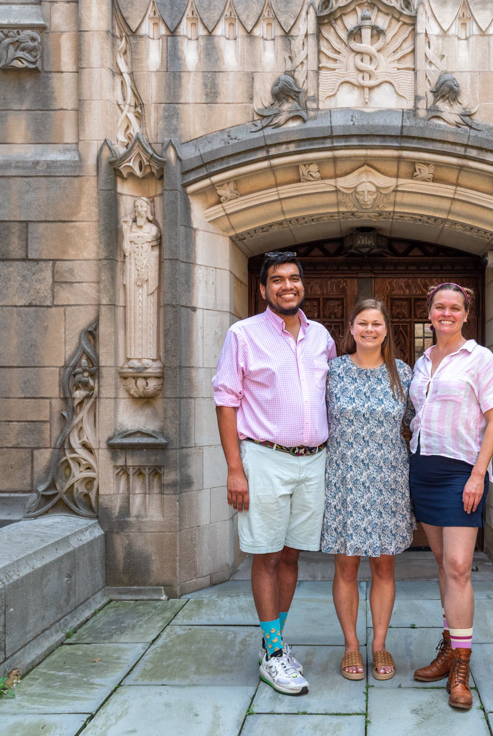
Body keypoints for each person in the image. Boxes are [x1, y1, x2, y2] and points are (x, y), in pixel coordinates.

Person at [212, 251, 336, 697]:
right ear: (263, 289)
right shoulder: (242, 335)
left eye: (294, 278)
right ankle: (275, 650)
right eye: (277, 280)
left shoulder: (321, 336)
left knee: (291, 556)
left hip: (313, 460)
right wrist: (234, 469)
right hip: (263, 458)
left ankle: (274, 647)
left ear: (303, 286)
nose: (288, 285)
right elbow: (226, 401)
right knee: (264, 554)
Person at [408, 283, 493, 710]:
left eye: (454, 308)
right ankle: (449, 647)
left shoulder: (479, 358)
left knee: (459, 566)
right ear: (430, 313)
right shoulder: (422, 360)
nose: (446, 313)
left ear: (466, 313)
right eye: (439, 307)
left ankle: (462, 668)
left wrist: (478, 474)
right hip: (423, 470)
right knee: (443, 565)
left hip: (462, 472)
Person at [320, 299, 414, 682]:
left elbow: (418, 421)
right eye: (363, 323)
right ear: (352, 328)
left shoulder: (403, 374)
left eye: (377, 323)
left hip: (388, 480)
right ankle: (350, 646)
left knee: (384, 565)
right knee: (345, 565)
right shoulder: (334, 372)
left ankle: (378, 645)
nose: (370, 329)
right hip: (344, 479)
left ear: (386, 329)